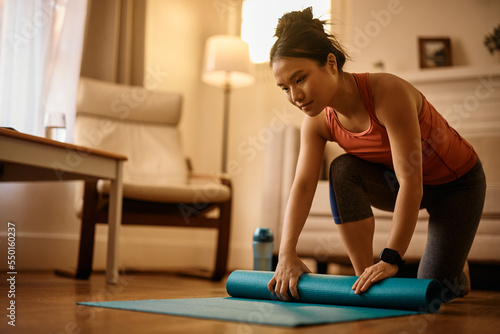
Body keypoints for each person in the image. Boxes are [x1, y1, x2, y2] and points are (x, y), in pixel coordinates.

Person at [267, 7, 486, 303]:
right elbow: (303, 185)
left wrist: (391, 258)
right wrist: (286, 253)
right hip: (397, 184)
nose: (295, 96)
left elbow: (412, 182)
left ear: (330, 63)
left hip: (457, 186)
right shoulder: (318, 121)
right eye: (285, 88)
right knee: (342, 169)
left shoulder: (387, 93)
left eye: (300, 78)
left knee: (434, 294)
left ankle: (456, 270)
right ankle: (364, 277)